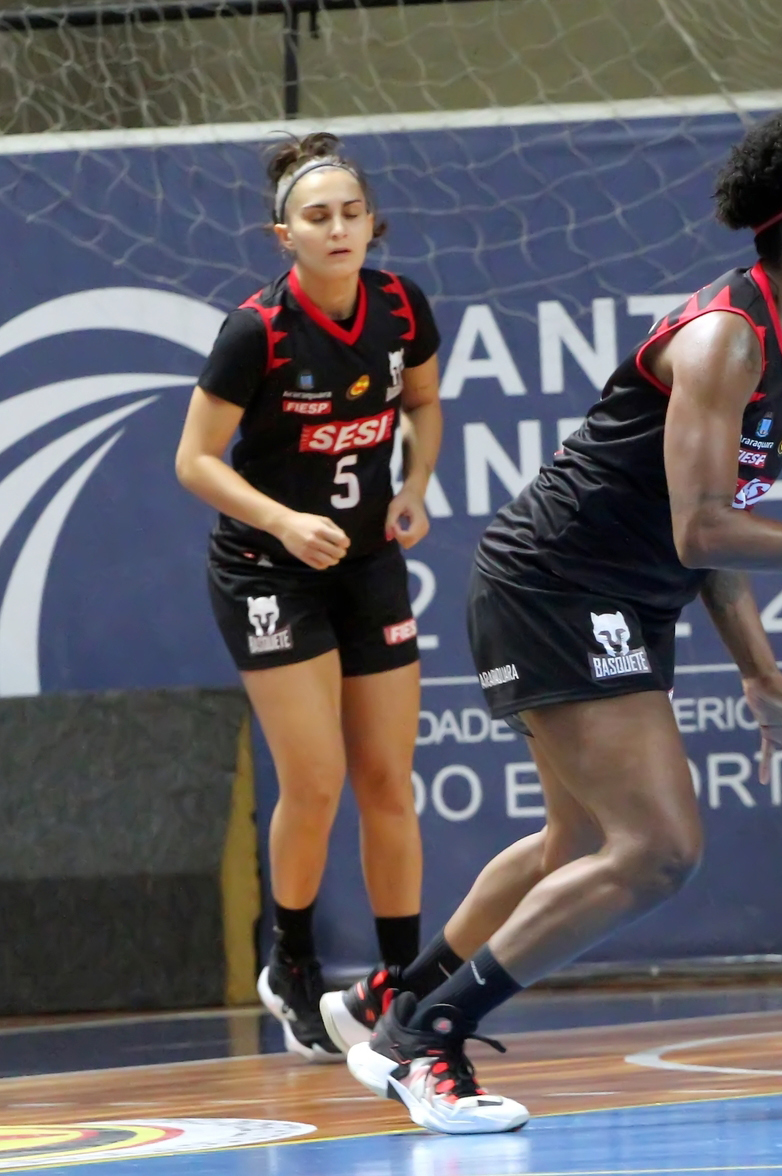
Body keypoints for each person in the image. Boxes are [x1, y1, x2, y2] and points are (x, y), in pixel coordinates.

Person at [339, 108, 782, 1134]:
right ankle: (425, 1036)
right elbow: (702, 530)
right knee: (656, 851)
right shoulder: (726, 340)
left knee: (577, 839)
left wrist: (761, 674)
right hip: (556, 583)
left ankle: (397, 997)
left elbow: (712, 537)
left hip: (614, 589)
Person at [175, 132, 441, 1061]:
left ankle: (405, 991)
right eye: (317, 217)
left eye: (350, 214)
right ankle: (290, 964)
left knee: (386, 781)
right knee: (317, 778)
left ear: (373, 223)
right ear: (282, 233)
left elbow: (423, 406)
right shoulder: (257, 330)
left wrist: (414, 487)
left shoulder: (402, 304)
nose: (337, 229)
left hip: (368, 561)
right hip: (267, 568)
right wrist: (284, 523)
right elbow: (195, 460)